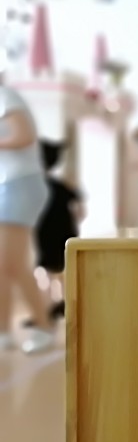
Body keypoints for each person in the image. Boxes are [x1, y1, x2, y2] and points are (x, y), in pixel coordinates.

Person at [0, 78, 55, 353]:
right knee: (6, 264)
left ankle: (43, 327)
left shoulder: (5, 96)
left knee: (10, 263)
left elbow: (24, 136)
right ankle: (3, 333)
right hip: (11, 185)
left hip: (21, 184)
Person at [35, 139, 84, 319]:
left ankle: (47, 309)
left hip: (43, 235)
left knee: (46, 273)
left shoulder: (33, 187)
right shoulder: (63, 187)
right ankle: (62, 304)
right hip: (65, 235)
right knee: (60, 271)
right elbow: (80, 211)